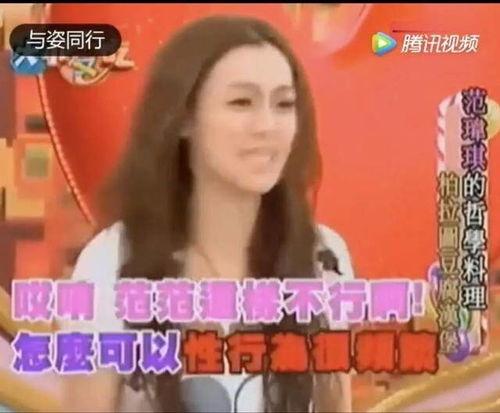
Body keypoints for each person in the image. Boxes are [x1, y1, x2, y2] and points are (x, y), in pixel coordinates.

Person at [60, 15, 355, 413]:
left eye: (284, 104)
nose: (267, 126)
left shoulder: (324, 258)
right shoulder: (110, 263)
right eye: (241, 102)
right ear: (184, 119)